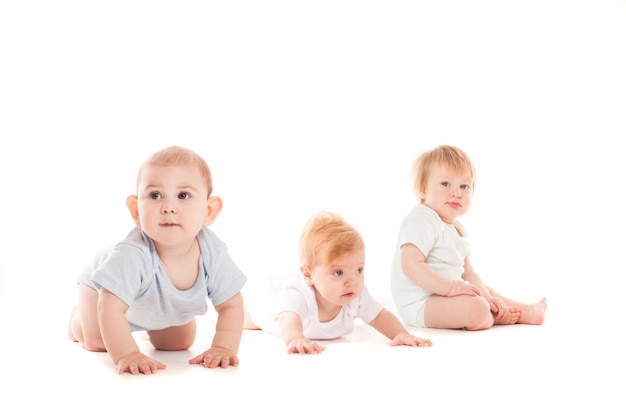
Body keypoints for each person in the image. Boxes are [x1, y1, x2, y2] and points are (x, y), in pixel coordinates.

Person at [67, 145, 247, 375]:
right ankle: (77, 318)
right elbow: (110, 307)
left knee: (178, 343)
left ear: (209, 211)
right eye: (155, 195)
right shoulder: (133, 253)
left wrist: (223, 347)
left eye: (183, 195)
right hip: (102, 292)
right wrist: (128, 354)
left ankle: (148, 324)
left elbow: (231, 304)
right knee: (98, 341)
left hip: (154, 305)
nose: (168, 207)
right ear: (136, 210)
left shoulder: (213, 252)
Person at [390, 145, 547, 330]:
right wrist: (451, 288)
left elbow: (468, 273)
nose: (457, 193)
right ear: (423, 190)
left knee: (483, 291)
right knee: (477, 307)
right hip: (420, 303)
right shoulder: (422, 218)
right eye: (445, 184)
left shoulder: (456, 229)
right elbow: (410, 265)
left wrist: (489, 298)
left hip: (447, 296)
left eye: (464, 186)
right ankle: (491, 316)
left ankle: (525, 311)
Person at [243, 211, 432, 354]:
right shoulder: (299, 295)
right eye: (338, 272)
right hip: (264, 304)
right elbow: (288, 319)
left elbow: (378, 315)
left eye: (359, 270)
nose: (352, 281)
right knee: (248, 320)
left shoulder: (354, 294)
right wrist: (296, 338)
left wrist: (401, 333)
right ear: (308, 275)